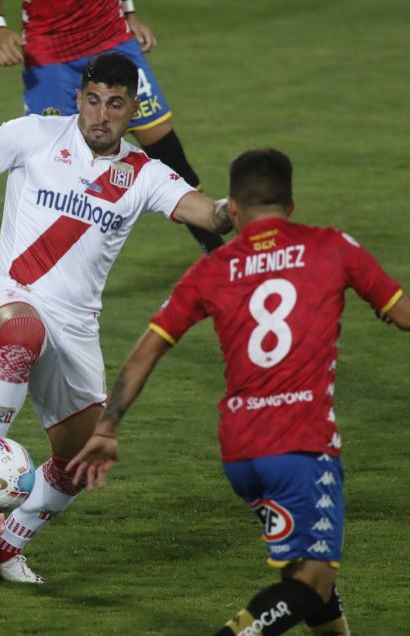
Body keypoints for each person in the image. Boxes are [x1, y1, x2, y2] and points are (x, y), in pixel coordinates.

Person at [0, 52, 231, 583]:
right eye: (92, 100)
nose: (100, 115)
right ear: (79, 97)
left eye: (115, 105)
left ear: (132, 110)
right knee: (23, 334)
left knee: (80, 460)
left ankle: (3, 551)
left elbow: (206, 213)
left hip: (75, 327)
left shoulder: (143, 174)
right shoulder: (35, 134)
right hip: (7, 294)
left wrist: (237, 209)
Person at [68, 148, 410, 634]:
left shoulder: (211, 270)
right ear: (290, 204)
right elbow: (403, 315)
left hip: (242, 453)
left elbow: (147, 349)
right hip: (303, 446)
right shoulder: (332, 247)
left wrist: (107, 426)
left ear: (233, 206)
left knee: (312, 582)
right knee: (310, 585)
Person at [0, 0, 225, 255]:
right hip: (50, 53)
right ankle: (33, 273)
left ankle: (220, 256)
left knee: (170, 155)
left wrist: (129, 13)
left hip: (112, 37)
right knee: (53, 170)